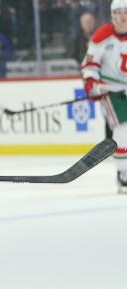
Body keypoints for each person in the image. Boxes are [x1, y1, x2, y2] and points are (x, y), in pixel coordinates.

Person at [82, 0, 127, 193]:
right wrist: (91, 83)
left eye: (126, 12)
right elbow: (90, 65)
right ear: (112, 15)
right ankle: (124, 174)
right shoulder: (102, 36)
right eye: (118, 12)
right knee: (123, 129)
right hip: (111, 92)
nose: (123, 16)